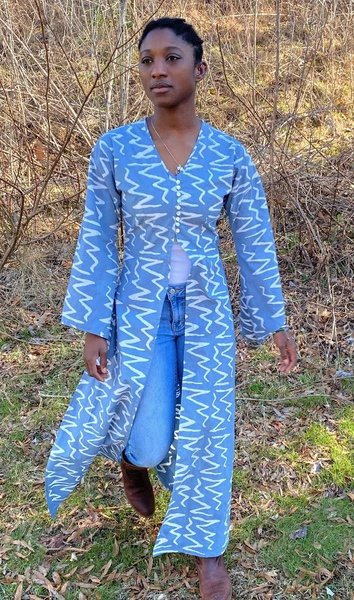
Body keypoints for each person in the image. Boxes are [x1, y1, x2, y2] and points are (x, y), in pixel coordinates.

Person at [45, 17, 297, 600]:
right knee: (153, 441)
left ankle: (209, 553)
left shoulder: (229, 155)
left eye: (172, 58)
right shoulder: (116, 149)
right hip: (140, 312)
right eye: (148, 60)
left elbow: (254, 240)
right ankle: (133, 462)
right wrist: (91, 325)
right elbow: (98, 237)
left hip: (207, 314)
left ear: (198, 68)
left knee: (209, 430)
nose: (158, 70)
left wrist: (275, 322)